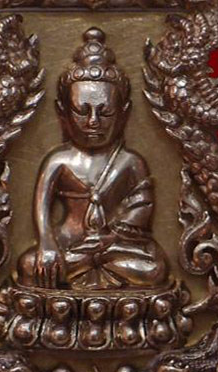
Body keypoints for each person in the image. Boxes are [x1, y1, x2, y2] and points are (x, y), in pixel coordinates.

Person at [17, 27, 169, 290]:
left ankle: (89, 268)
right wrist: (47, 244)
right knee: (29, 266)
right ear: (62, 112)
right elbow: (42, 209)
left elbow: (142, 207)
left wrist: (112, 238)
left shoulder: (131, 162)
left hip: (116, 246)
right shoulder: (58, 161)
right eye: (82, 111)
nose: (93, 122)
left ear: (124, 113)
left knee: (154, 269)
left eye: (105, 112)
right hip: (68, 245)